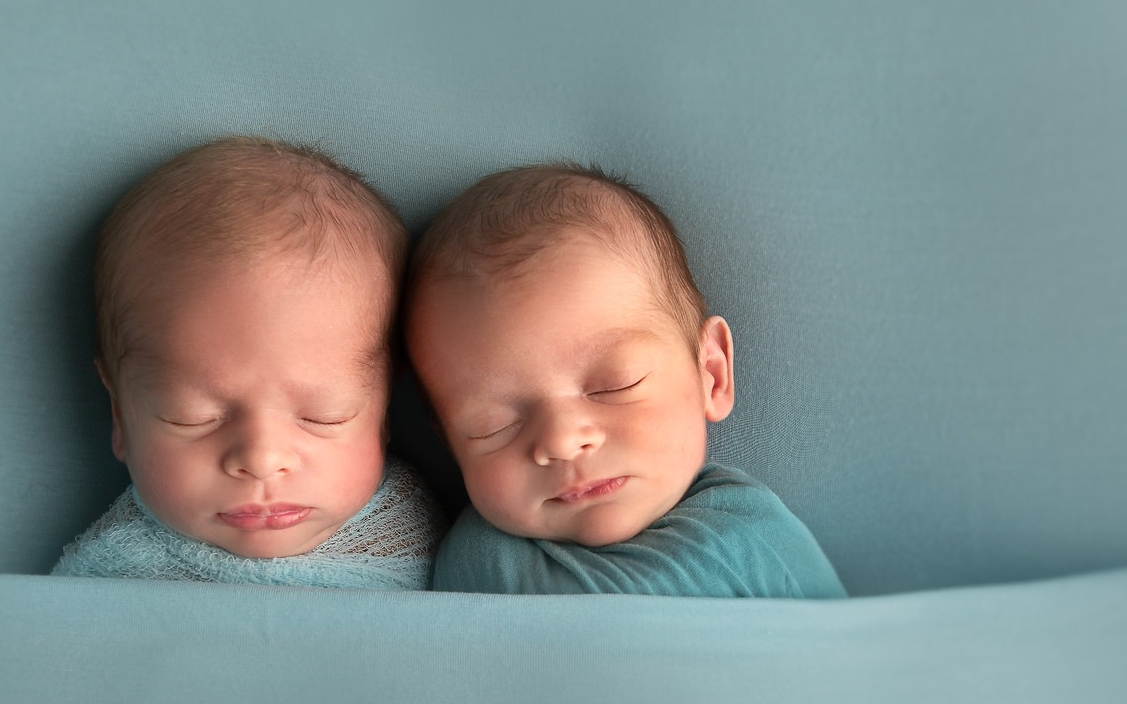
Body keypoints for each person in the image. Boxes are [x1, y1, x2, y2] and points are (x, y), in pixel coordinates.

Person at [404, 163, 845, 597]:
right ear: (453, 448)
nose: (562, 441)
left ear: (710, 374)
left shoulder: (755, 539)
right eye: (493, 424)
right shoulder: (470, 564)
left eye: (615, 385)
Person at [53, 136, 442, 588]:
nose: (261, 458)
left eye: (323, 416)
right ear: (120, 413)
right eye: (192, 417)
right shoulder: (106, 582)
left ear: (384, 411)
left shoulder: (428, 532)